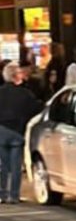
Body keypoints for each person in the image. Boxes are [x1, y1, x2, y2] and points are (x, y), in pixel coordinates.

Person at [0, 62, 42, 203]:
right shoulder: (25, 94)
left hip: (2, 130)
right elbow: (36, 108)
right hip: (17, 131)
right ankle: (14, 195)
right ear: (16, 76)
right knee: (16, 165)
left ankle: (2, 194)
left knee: (3, 165)